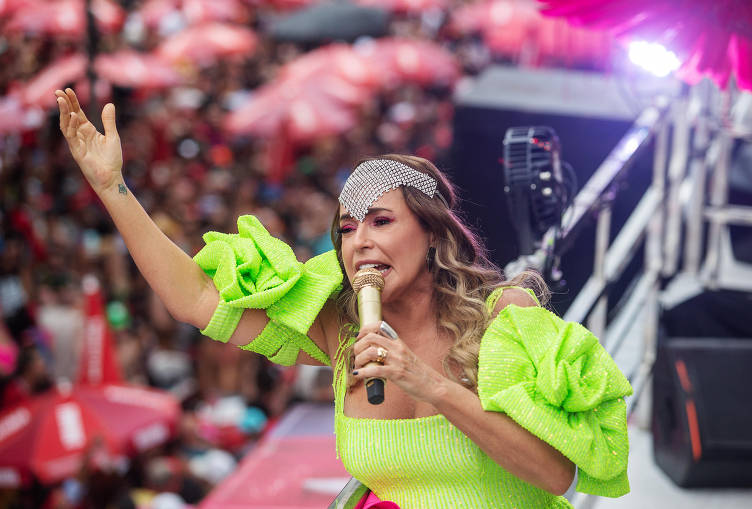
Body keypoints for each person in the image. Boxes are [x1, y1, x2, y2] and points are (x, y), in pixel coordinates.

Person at [56, 88, 633, 508]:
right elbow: (197, 299)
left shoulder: (504, 317)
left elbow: (556, 476)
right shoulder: (340, 329)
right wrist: (114, 189)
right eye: (348, 229)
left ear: (432, 233)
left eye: (380, 221)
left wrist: (428, 383)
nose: (360, 242)